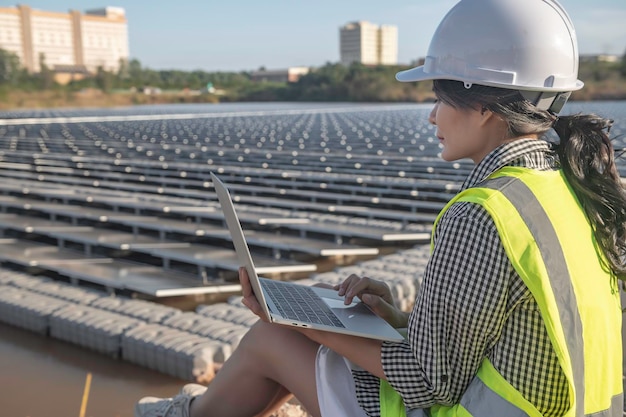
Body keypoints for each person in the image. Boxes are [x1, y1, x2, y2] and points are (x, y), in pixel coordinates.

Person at [134, 0, 625, 416]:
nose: (432, 114)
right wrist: (394, 318)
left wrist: (300, 321)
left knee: (271, 339)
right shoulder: (575, 184)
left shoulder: (483, 214)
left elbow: (428, 384)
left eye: (440, 96)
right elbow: (500, 341)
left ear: (485, 106)